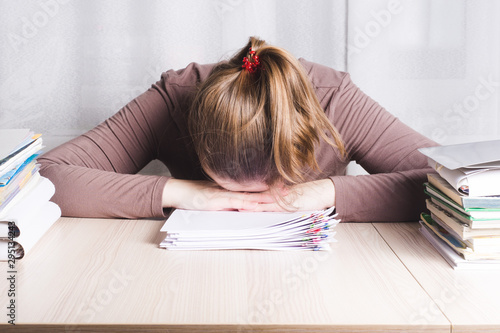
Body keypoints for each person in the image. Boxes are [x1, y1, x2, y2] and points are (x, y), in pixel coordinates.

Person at [38, 36, 437, 222]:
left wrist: (326, 192)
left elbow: (457, 183)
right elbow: (45, 176)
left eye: (271, 188)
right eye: (226, 189)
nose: (250, 207)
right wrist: (186, 194)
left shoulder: (332, 100)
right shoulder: (176, 98)